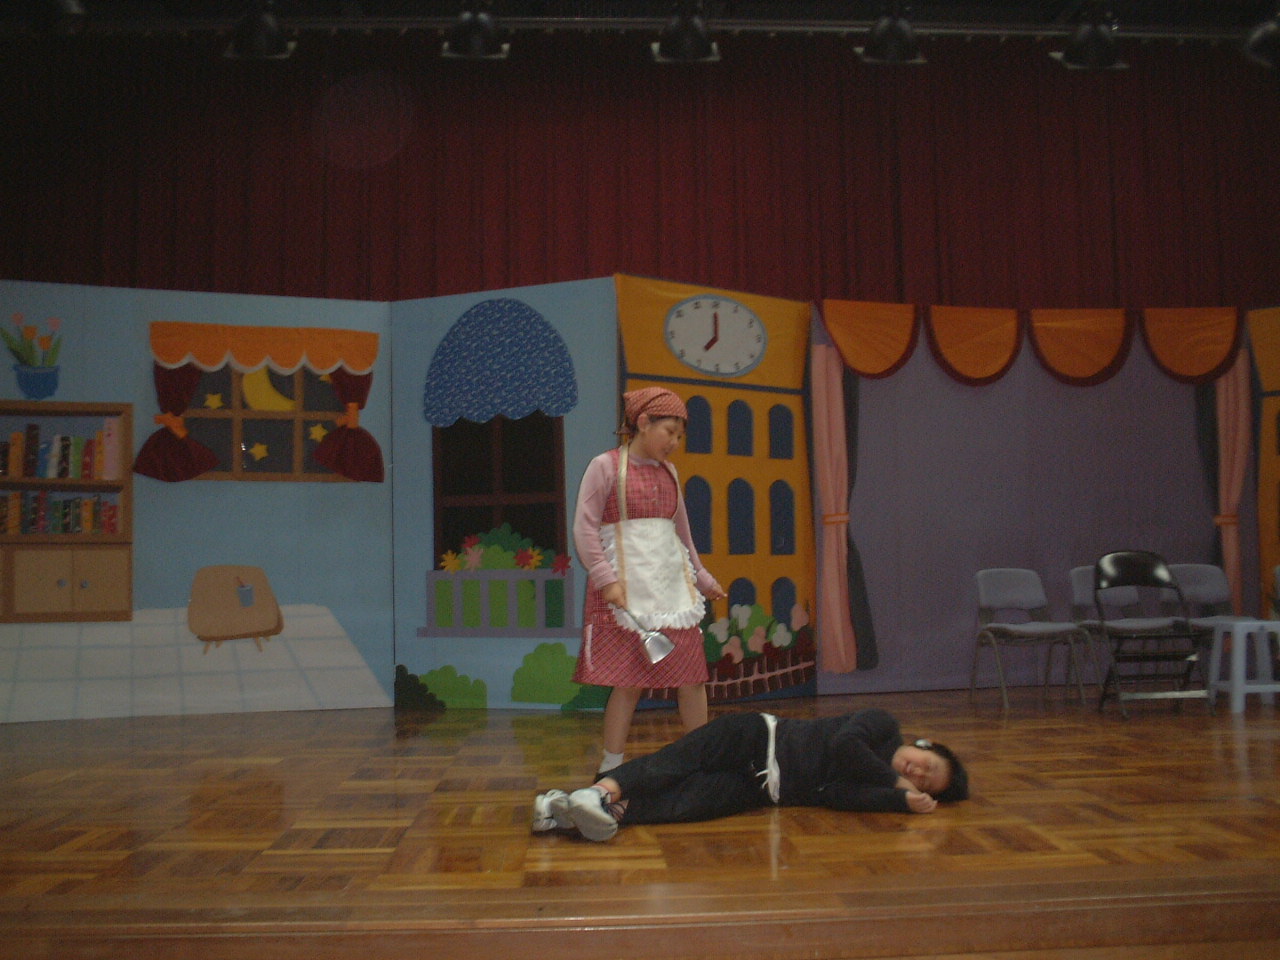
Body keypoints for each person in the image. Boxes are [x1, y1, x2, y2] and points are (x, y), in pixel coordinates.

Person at [571, 386, 726, 776]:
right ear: (642, 422)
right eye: (669, 431)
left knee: (692, 679)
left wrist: (702, 577)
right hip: (625, 592)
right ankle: (610, 768)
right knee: (628, 684)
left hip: (672, 592)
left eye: (680, 436)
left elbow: (681, 533)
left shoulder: (669, 472)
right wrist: (606, 579)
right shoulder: (605, 467)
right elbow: (584, 529)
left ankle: (701, 761)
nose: (674, 443)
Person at [531, 707, 969, 842]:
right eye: (926, 766)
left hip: (760, 789)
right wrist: (897, 784)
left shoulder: (877, 783)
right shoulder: (884, 725)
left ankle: (563, 812)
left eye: (925, 782)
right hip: (758, 737)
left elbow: (839, 795)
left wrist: (898, 802)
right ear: (924, 744)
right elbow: (844, 745)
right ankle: (600, 792)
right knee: (676, 763)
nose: (917, 773)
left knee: (687, 805)